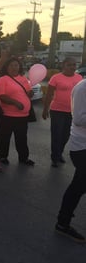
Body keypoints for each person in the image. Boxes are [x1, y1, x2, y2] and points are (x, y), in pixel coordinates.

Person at [55, 79, 86, 243]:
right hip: (82, 147)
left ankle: (63, 221)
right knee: (78, 186)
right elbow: (79, 119)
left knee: (79, 186)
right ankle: (63, 223)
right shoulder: (82, 88)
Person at [42, 57, 82, 167]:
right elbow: (49, 95)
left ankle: (59, 153)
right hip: (57, 111)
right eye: (69, 65)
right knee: (57, 135)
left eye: (74, 65)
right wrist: (45, 110)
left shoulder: (79, 78)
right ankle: (55, 157)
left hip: (72, 112)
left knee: (66, 135)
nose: (72, 67)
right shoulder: (56, 78)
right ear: (63, 66)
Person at [0, 57, 35, 166]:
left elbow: (27, 91)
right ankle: (2, 156)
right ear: (7, 67)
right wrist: (15, 102)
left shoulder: (23, 78)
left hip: (23, 116)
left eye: (16, 65)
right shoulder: (3, 79)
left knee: (22, 138)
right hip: (8, 115)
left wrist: (30, 93)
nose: (14, 67)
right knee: (5, 137)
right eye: (12, 65)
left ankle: (24, 158)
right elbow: (2, 96)